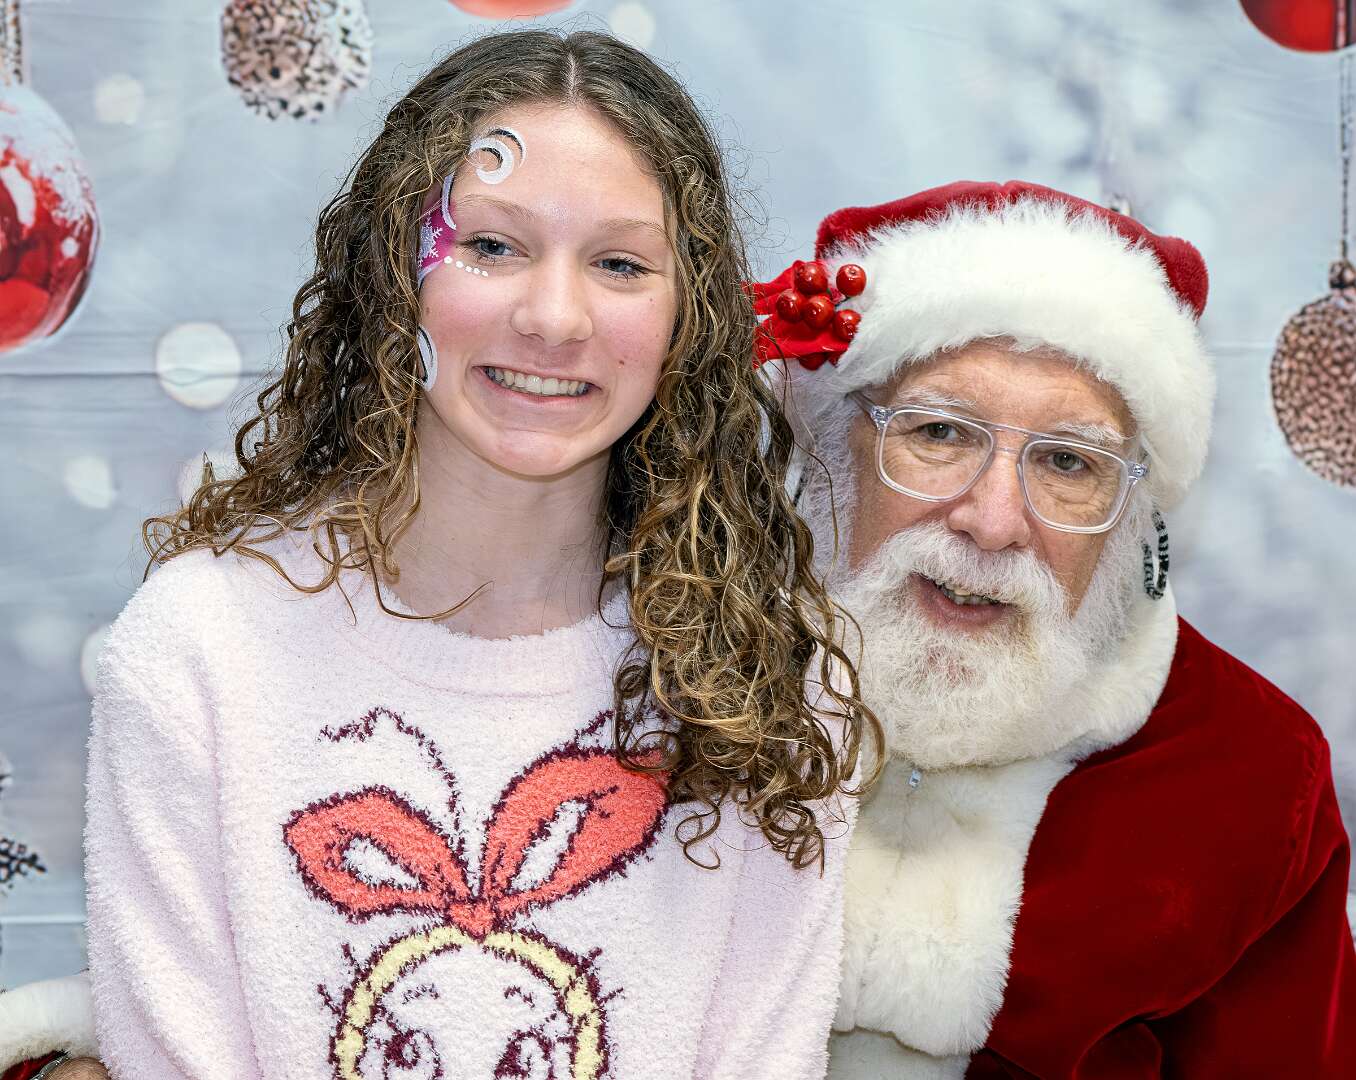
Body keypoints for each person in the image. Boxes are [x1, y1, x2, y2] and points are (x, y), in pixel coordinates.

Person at [0, 29, 877, 1080]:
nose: (553, 317)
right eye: (492, 247)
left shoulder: (768, 685)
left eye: (619, 263)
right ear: (394, 277)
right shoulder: (202, 650)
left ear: (688, 313)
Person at [756, 180, 1356, 1076]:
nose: (993, 522)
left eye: (1069, 462)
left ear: (1131, 510)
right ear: (835, 445)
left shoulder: (1255, 773)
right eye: (940, 433)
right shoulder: (678, 676)